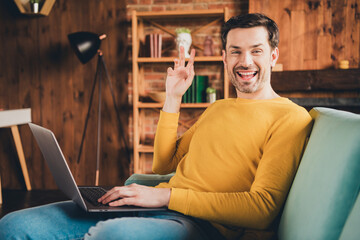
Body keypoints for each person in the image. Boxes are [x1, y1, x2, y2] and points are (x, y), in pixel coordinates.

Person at [0, 13, 312, 240]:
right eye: (236, 51)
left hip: (202, 226)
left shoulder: (290, 118)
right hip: (156, 207)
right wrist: (173, 98)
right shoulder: (219, 107)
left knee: (114, 236)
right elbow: (164, 164)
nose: (245, 61)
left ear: (273, 56)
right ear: (224, 57)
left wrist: (166, 197)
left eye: (256, 50)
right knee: (11, 225)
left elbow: (262, 209)